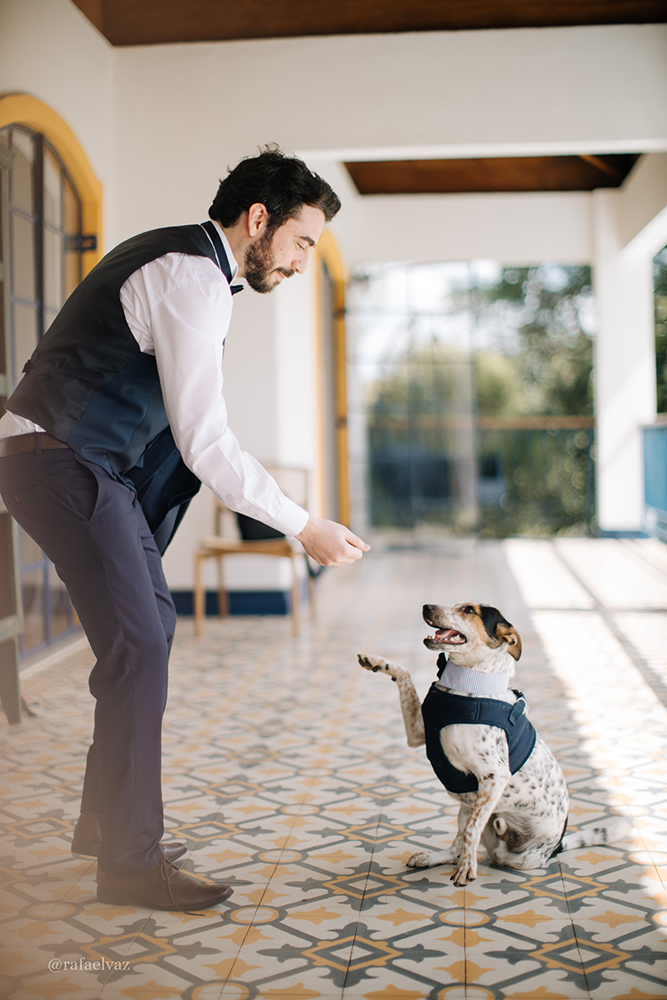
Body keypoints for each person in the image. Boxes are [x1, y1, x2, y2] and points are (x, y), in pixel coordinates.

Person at [0, 146, 369, 912]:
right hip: (60, 456)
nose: (302, 263)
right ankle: (129, 863)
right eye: (302, 242)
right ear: (259, 219)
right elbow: (206, 441)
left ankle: (107, 826)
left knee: (150, 632)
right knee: (141, 643)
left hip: (63, 456)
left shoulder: (189, 263)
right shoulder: (193, 277)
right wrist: (305, 526)